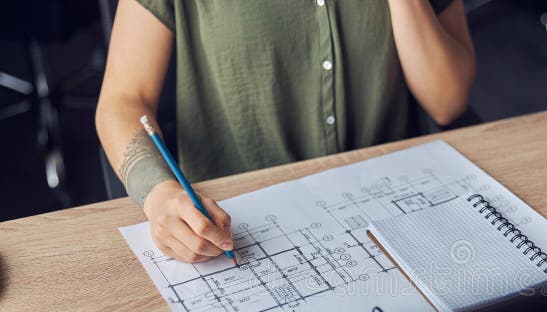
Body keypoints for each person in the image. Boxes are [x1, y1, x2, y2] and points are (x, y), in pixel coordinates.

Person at [96, 0, 475, 263]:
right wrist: (159, 195)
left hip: (392, 210)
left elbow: (447, 100)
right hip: (237, 229)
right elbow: (124, 101)